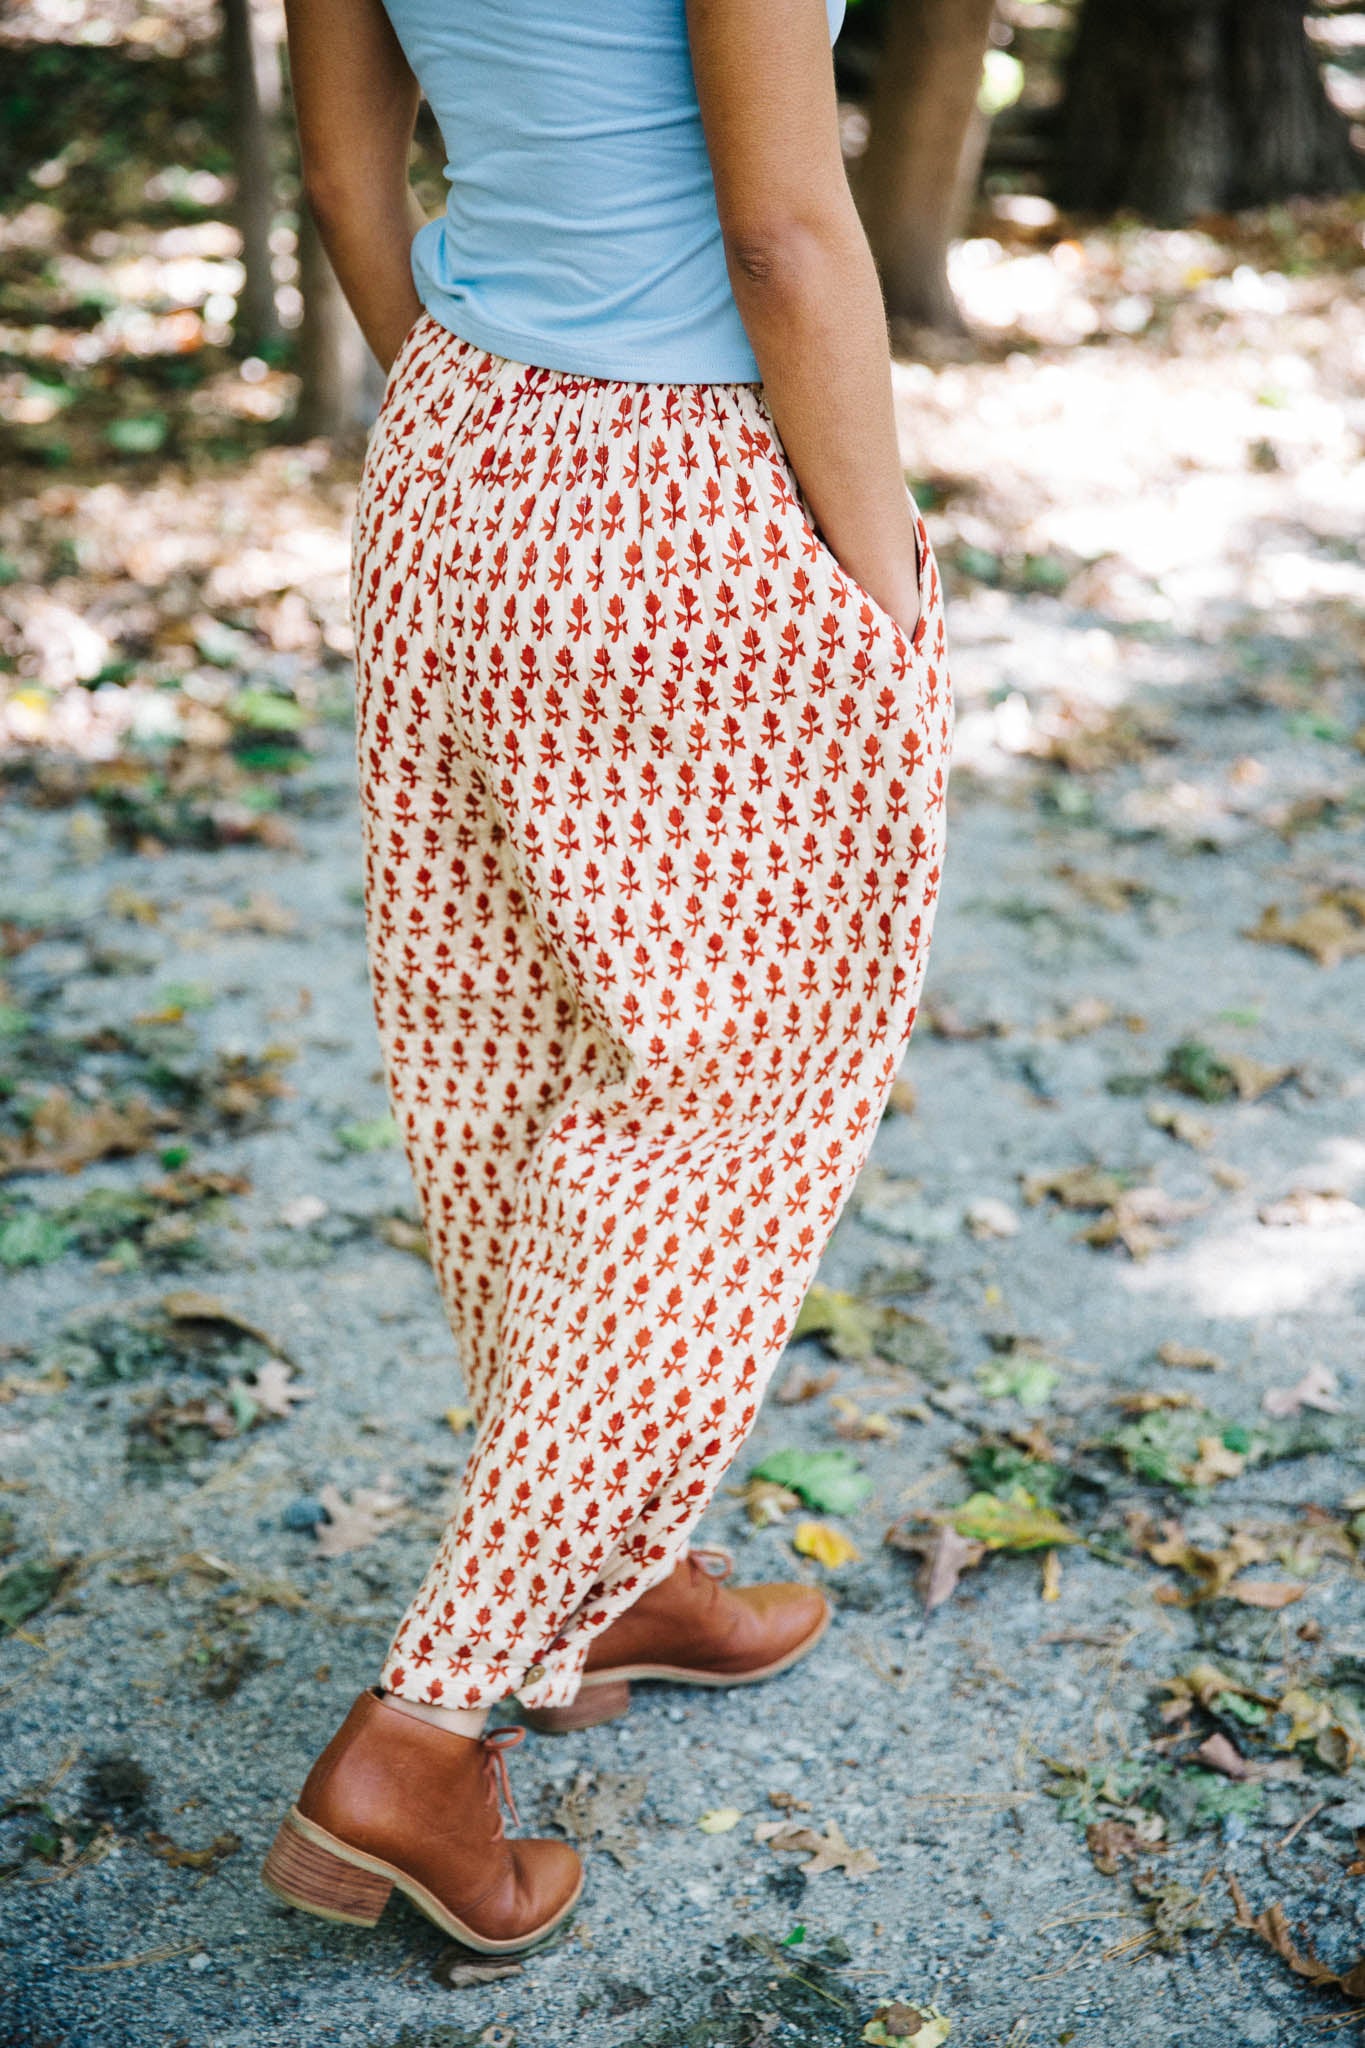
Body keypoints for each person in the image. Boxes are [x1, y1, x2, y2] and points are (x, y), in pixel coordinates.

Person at [262, 0, 954, 1957]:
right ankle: (420, 1724)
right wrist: (880, 580)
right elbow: (784, 239)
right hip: (693, 495)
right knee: (714, 1119)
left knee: (504, 1066)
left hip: (454, 453)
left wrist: (483, 428)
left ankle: (605, 1572)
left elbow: (342, 170)